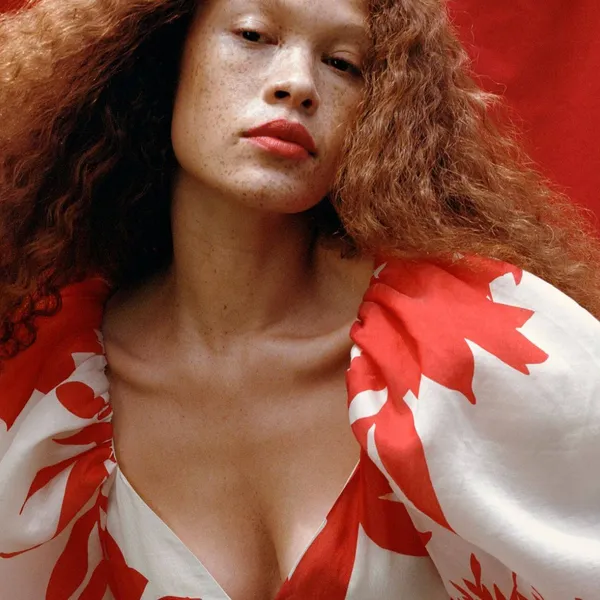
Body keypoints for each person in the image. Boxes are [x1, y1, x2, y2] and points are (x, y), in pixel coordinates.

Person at [1, 0, 599, 598]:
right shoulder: (39, 384)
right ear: (166, 58)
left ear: (380, 110)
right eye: (253, 35)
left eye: (343, 63)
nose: (298, 84)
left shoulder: (471, 348)